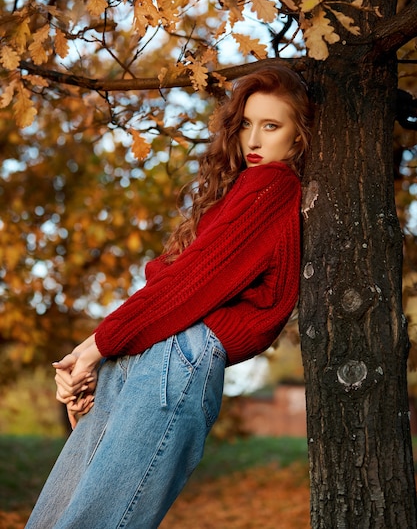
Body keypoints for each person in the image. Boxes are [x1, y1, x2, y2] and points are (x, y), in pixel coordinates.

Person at [25, 65, 313, 529]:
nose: (254, 141)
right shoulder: (238, 193)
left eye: (272, 126)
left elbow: (188, 286)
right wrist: (92, 356)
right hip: (155, 352)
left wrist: (96, 347)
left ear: (298, 138)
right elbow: (172, 285)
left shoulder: (274, 187)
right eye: (245, 125)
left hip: (177, 353)